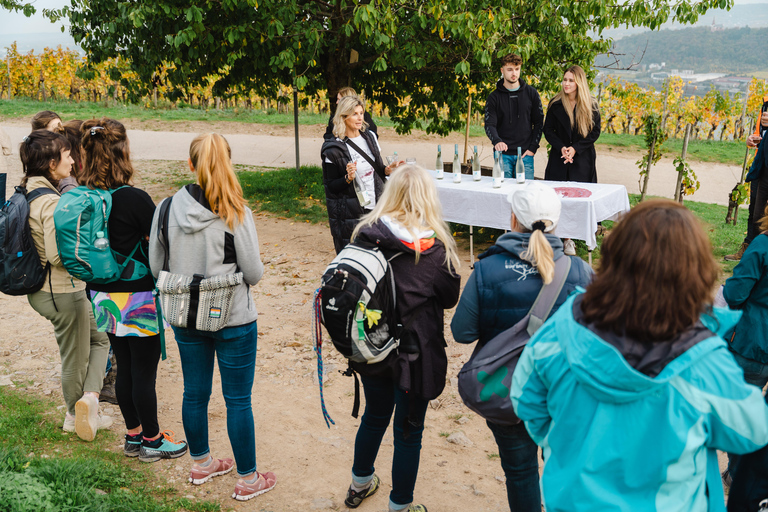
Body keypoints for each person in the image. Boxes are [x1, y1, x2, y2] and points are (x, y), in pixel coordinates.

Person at [510, 199, 768, 512]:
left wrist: (566, 442)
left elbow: (525, 398)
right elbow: (751, 431)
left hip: (574, 499)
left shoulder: (563, 328)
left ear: (615, 258)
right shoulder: (705, 361)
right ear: (695, 272)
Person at [450, 182, 592, 512]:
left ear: (513, 220)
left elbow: (461, 333)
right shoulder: (582, 273)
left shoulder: (486, 268)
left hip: (508, 395)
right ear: (557, 222)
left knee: (520, 473)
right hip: (563, 394)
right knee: (564, 468)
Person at [148, 133, 274, 501]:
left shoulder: (167, 208)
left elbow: (157, 266)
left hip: (185, 315)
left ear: (190, 165)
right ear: (229, 162)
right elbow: (252, 273)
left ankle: (202, 462)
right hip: (232, 316)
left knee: (195, 391)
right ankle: (248, 478)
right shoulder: (236, 213)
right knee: (237, 400)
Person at [342, 164, 461, 512]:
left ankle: (359, 482)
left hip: (373, 346)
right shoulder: (435, 251)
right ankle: (400, 506)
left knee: (375, 416)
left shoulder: (364, 234)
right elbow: (450, 298)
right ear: (428, 199)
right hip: (415, 355)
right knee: (409, 431)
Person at [79, 118, 187, 462]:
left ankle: (133, 434)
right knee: (143, 372)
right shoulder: (134, 199)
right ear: (122, 152)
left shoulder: (82, 199)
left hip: (100, 295)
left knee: (123, 366)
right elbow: (160, 245)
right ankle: (153, 441)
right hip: (137, 297)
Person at [20, 129, 112, 441]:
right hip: (60, 291)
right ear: (50, 163)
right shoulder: (50, 202)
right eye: (67, 154)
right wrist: (92, 259)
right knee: (75, 355)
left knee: (100, 339)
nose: (73, 160)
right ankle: (75, 415)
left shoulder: (29, 190)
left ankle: (90, 402)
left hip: (52, 290)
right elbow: (59, 256)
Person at [721, 201, 768, 485]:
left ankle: (737, 476)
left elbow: (736, 293)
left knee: (740, 415)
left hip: (754, 342)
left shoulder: (762, 246)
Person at [321, 95, 402, 254]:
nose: (360, 118)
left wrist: (387, 170)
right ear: (343, 117)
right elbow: (331, 186)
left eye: (361, 113)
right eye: (354, 114)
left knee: (380, 256)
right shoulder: (333, 149)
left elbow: (377, 168)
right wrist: (347, 178)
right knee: (356, 258)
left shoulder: (370, 137)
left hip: (376, 207)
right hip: (351, 214)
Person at [543, 65, 601, 256]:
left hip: (582, 158)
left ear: (579, 82)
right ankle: (563, 239)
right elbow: (548, 130)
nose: (566, 83)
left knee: (579, 198)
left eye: (570, 80)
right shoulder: (556, 104)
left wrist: (575, 149)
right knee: (558, 198)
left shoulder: (591, 105)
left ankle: (579, 235)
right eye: (565, 79)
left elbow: (595, 132)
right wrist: (562, 148)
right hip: (559, 158)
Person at [484, 53, 544, 181]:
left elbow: (539, 122)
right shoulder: (494, 97)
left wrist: (533, 148)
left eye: (517, 69)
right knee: (502, 194)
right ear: (502, 70)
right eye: (510, 69)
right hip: (502, 155)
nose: (514, 73)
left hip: (525, 155)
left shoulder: (531, 93)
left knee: (526, 195)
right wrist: (497, 141)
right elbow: (490, 124)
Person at [725, 100, 768, 261]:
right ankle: (749, 250)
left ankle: (759, 256)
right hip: (761, 165)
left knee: (764, 214)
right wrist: (752, 139)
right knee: (754, 212)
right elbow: (762, 134)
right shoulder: (766, 104)